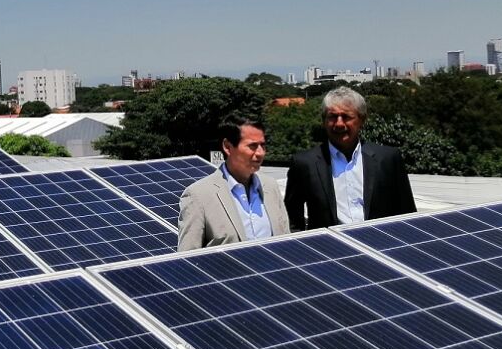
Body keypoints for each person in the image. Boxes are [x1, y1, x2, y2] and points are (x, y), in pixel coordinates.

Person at [285, 86, 416, 230]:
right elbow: (292, 220)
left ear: (362, 120)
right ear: (324, 120)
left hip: (381, 245)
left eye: (346, 117)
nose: (339, 123)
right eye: (332, 117)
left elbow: (407, 213)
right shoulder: (304, 164)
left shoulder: (387, 159)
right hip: (329, 249)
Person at [178, 119, 290, 251]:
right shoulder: (198, 196)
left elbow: (286, 243)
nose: (260, 153)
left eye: (263, 145)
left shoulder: (270, 187)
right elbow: (188, 258)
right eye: (252, 146)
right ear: (228, 147)